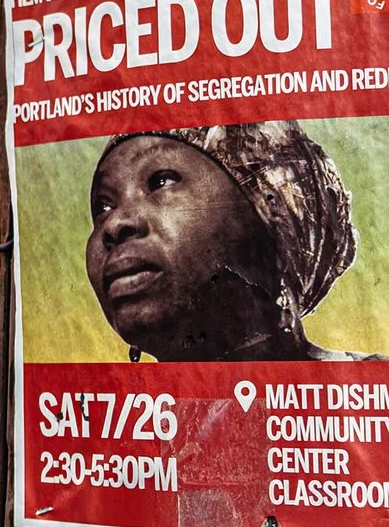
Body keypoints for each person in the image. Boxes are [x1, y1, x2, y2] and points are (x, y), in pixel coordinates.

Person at [84, 121, 367, 362]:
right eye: (103, 207)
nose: (114, 223)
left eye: (161, 182)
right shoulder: (130, 419)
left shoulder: (364, 398)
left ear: (273, 221)